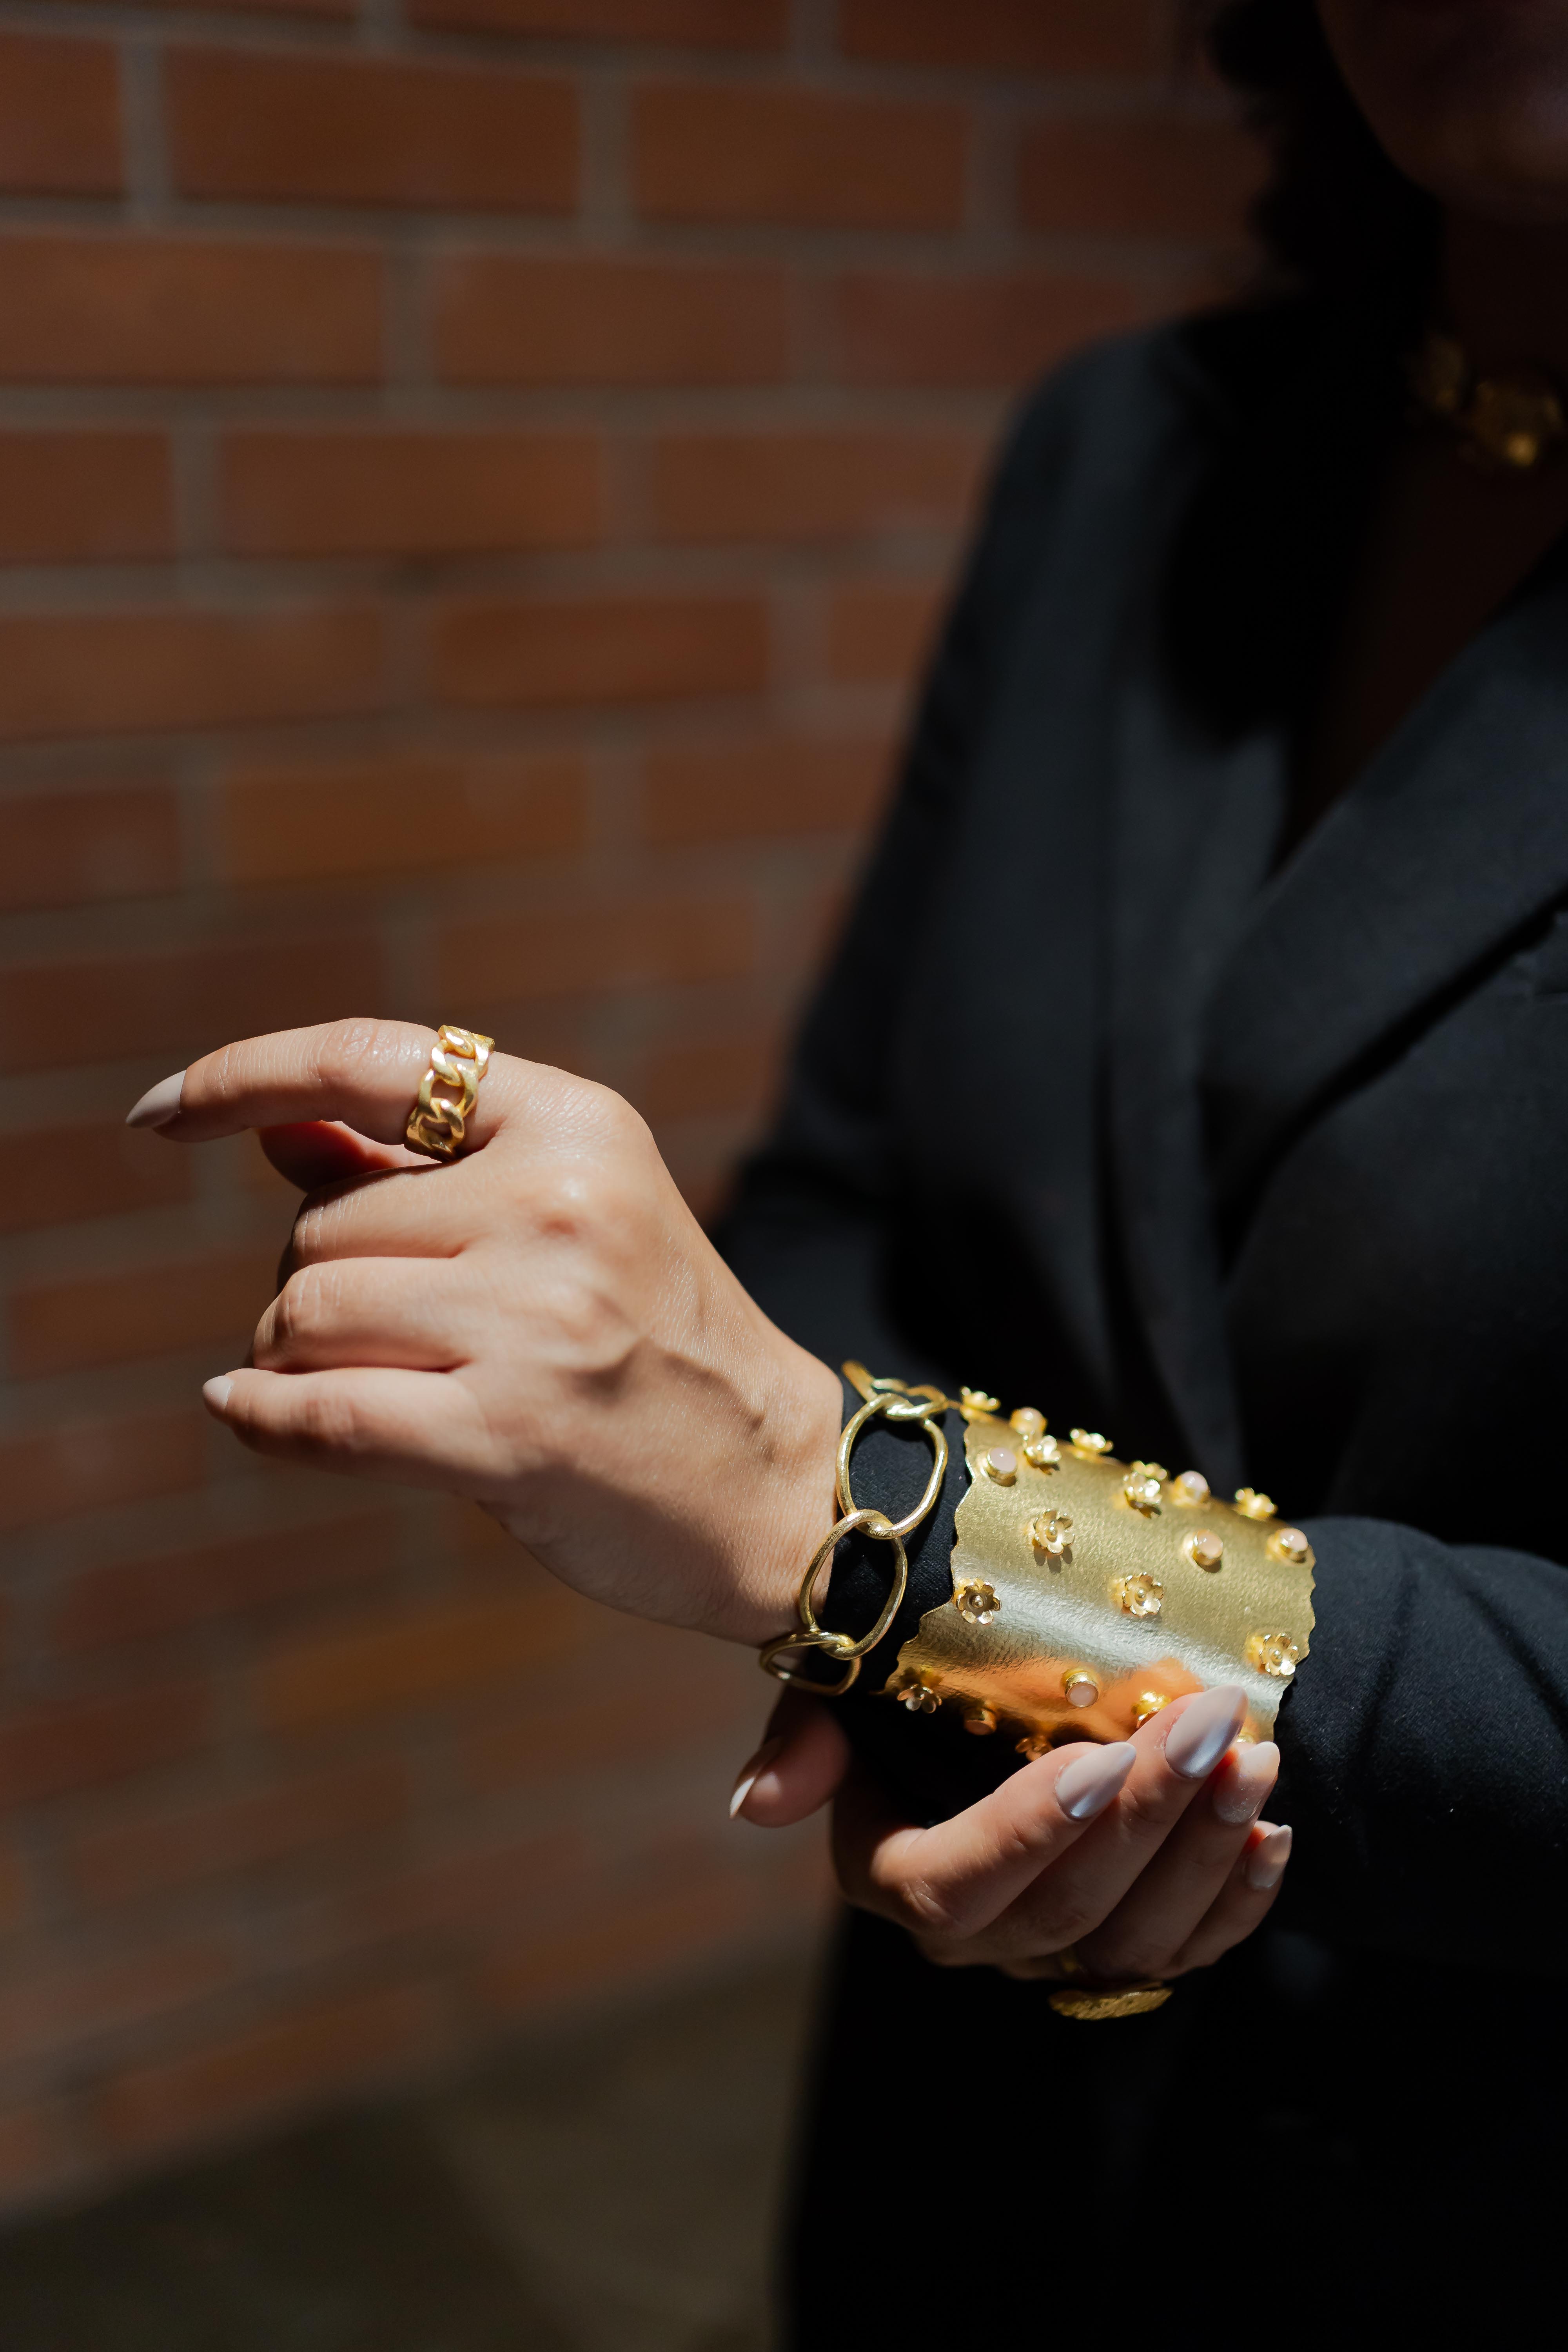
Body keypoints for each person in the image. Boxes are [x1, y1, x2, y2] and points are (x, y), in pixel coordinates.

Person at [125, 0, 1568, 2331]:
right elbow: (845, 1187)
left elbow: (835, 1461)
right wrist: (944, 1673)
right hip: (973, 2120)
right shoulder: (1127, 455)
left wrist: (891, 1537)